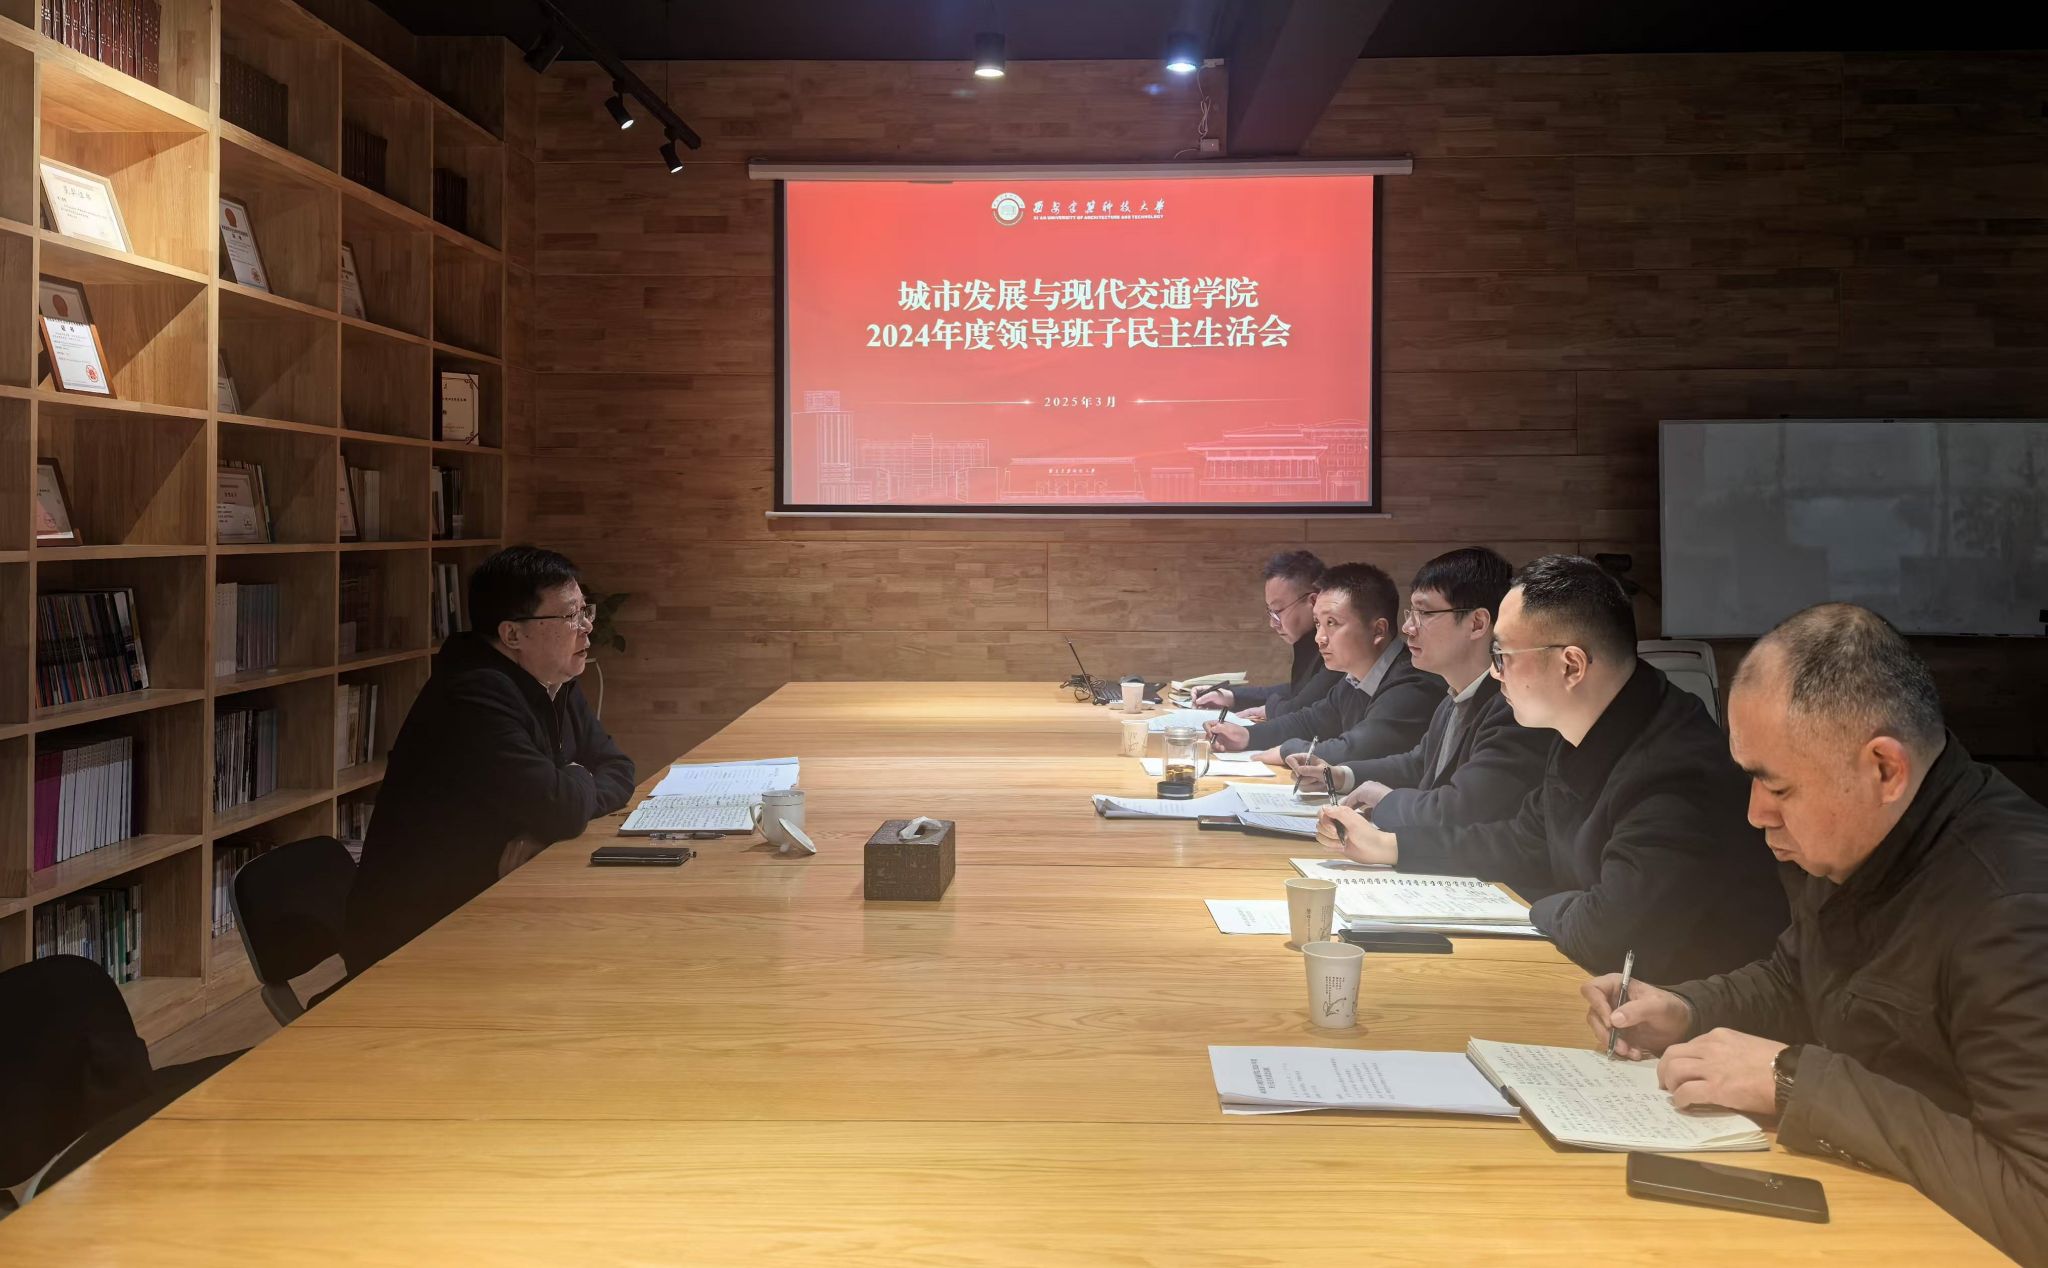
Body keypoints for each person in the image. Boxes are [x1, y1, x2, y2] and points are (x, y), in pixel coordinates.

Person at [1582, 604, 2048, 1263]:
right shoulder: (1859, 838)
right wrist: (1687, 1010)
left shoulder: (2015, 910)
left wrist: (1795, 1083)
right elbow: (1796, 977)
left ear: (1883, 769)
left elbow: (2036, 1204)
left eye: (1776, 786)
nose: (1755, 814)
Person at [1314, 553, 1786, 982]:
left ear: (1571, 666)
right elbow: (1522, 840)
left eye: (1502, 656)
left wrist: (1537, 905)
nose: (1494, 673)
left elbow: (1610, 932)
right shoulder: (1586, 724)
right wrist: (1393, 846)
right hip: (1598, 980)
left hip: (1680, 1018)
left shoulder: (1675, 767)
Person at [342, 546, 636, 974]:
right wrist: (571, 787)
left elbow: (619, 770)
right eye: (571, 616)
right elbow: (562, 807)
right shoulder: (473, 695)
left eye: (584, 610)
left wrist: (551, 815)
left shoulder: (554, 678)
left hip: (497, 897)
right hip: (421, 935)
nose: (587, 626)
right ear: (513, 634)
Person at [1290, 547, 1551, 830]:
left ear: (1477, 623)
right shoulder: (1454, 696)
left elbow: (1461, 809)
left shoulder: (1511, 708)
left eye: (1424, 613)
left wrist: (1387, 802)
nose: (1408, 628)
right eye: (1411, 613)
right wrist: (1339, 775)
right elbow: (1418, 763)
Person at [1205, 562, 1442, 766]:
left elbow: (1357, 749)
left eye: (1332, 623)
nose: (1320, 638)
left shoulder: (1412, 683)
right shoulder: (1354, 679)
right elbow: (1309, 722)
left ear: (1378, 630)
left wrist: (1287, 750)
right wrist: (1247, 736)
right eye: (1318, 623)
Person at [1192, 551, 1339, 725]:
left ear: (1313, 602)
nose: (1272, 623)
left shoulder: (1337, 647)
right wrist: (1231, 696)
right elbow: (1298, 691)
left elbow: (1303, 705)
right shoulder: (1309, 644)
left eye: (1277, 611)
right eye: (1270, 612)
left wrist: (1268, 712)